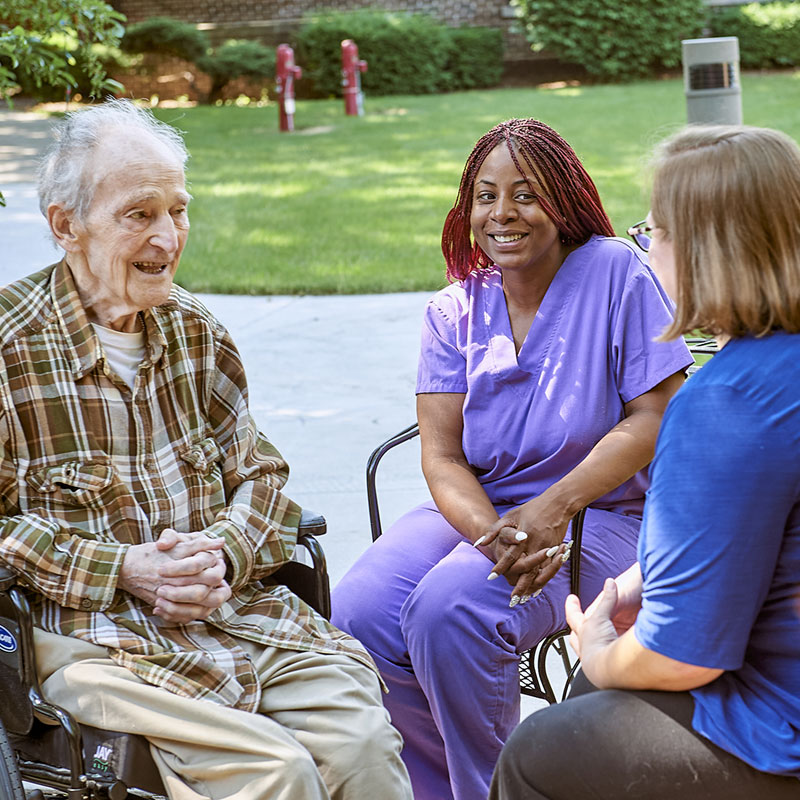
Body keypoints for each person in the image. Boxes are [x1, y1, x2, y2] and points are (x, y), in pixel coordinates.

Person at [0, 98, 412, 800]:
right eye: (139, 214)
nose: (168, 237)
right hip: (96, 640)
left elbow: (261, 475)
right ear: (66, 225)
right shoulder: (10, 350)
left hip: (236, 617)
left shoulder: (198, 334)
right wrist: (123, 568)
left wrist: (223, 551)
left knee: (364, 746)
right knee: (275, 772)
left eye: (178, 211)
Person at [331, 118, 693, 799]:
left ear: (563, 200)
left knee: (454, 609)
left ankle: (501, 791)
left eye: (526, 195)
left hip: (604, 512)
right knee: (359, 613)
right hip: (488, 513)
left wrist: (552, 509)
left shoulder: (616, 272)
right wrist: (490, 534)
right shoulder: (454, 309)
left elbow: (655, 416)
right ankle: (439, 785)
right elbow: (440, 456)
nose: (503, 214)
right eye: (487, 196)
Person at [489, 124, 800, 799]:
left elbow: (680, 656)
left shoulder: (727, 400)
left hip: (782, 734)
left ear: (701, 251)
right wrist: (647, 575)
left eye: (652, 233)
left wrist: (600, 657)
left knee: (542, 748)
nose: (645, 249)